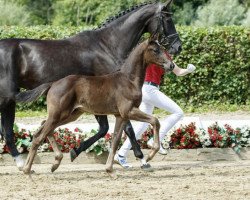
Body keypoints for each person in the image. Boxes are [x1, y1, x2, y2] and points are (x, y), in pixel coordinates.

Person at [114, 51, 196, 169]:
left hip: (146, 89)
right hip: (149, 89)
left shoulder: (164, 55)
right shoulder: (152, 52)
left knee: (142, 125)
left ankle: (121, 154)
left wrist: (188, 70)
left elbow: (178, 72)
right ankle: (156, 139)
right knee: (178, 112)